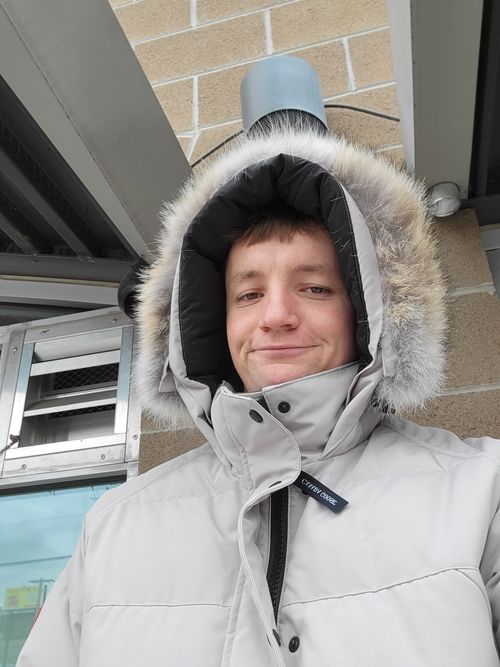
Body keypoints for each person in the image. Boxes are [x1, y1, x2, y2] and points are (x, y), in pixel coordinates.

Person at [17, 127, 500, 666]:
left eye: (315, 288)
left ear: (368, 311)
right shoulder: (113, 526)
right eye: (248, 294)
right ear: (212, 322)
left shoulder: (482, 492)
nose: (275, 316)